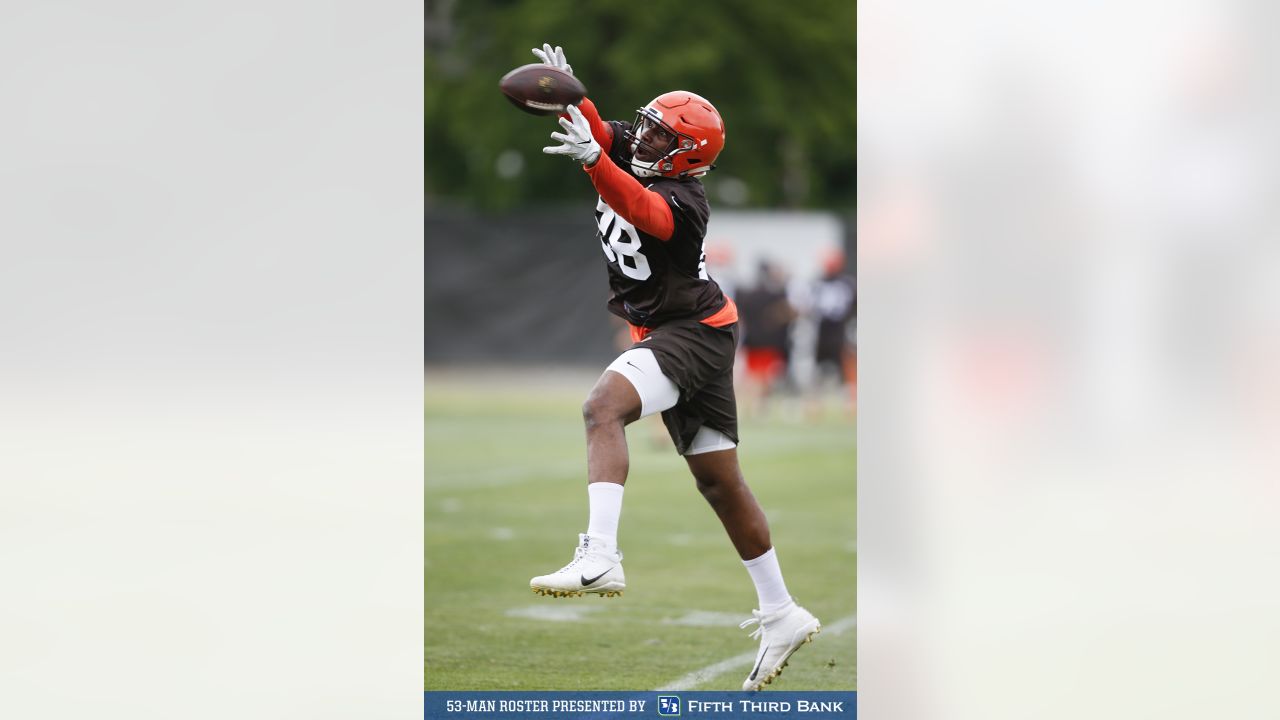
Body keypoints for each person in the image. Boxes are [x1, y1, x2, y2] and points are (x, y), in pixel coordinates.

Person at [525, 44, 820, 692]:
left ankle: (600, 556)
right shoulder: (637, 147)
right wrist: (571, 91)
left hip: (687, 332)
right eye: (648, 123)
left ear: (685, 154)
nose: (646, 135)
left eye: (661, 133)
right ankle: (781, 612)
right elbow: (598, 131)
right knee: (719, 483)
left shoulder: (684, 200)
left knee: (602, 407)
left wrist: (598, 161)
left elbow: (641, 208)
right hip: (701, 329)